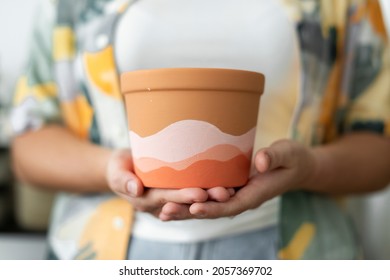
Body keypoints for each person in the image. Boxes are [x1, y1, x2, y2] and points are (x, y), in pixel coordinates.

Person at [10, 0, 390, 260]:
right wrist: (113, 169)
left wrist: (308, 167)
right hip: (101, 255)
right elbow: (30, 139)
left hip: (299, 251)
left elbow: (379, 146)